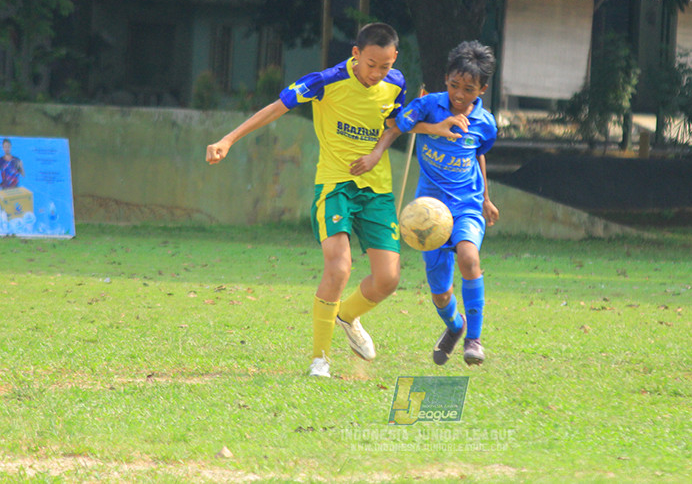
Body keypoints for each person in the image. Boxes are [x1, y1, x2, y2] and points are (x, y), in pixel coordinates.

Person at [205, 23, 406, 378]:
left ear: (394, 60)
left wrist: (377, 153)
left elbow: (395, 122)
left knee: (388, 279)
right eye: (371, 64)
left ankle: (346, 315)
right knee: (339, 266)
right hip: (335, 186)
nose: (377, 73)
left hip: (377, 189)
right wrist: (229, 139)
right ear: (356, 54)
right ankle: (320, 360)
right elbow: (276, 108)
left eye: (385, 66)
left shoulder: (397, 84)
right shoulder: (324, 81)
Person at [394, 40, 499, 366]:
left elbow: (478, 155)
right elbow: (399, 123)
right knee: (440, 292)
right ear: (445, 80)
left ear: (481, 89)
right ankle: (455, 326)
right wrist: (434, 127)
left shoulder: (486, 123)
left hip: (466, 205)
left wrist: (485, 198)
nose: (459, 94)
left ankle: (475, 340)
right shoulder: (429, 105)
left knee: (469, 257)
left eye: (468, 89)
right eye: (454, 85)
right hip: (428, 212)